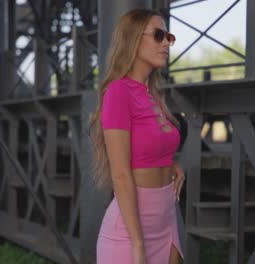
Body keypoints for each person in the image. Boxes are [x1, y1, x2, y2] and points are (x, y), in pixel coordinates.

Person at [88, 8, 185, 264]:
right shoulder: (118, 92)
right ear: (133, 39)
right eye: (158, 35)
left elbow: (150, 147)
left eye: (169, 37)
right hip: (130, 235)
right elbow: (120, 174)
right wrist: (138, 244)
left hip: (166, 223)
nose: (166, 42)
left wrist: (171, 163)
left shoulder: (152, 95)